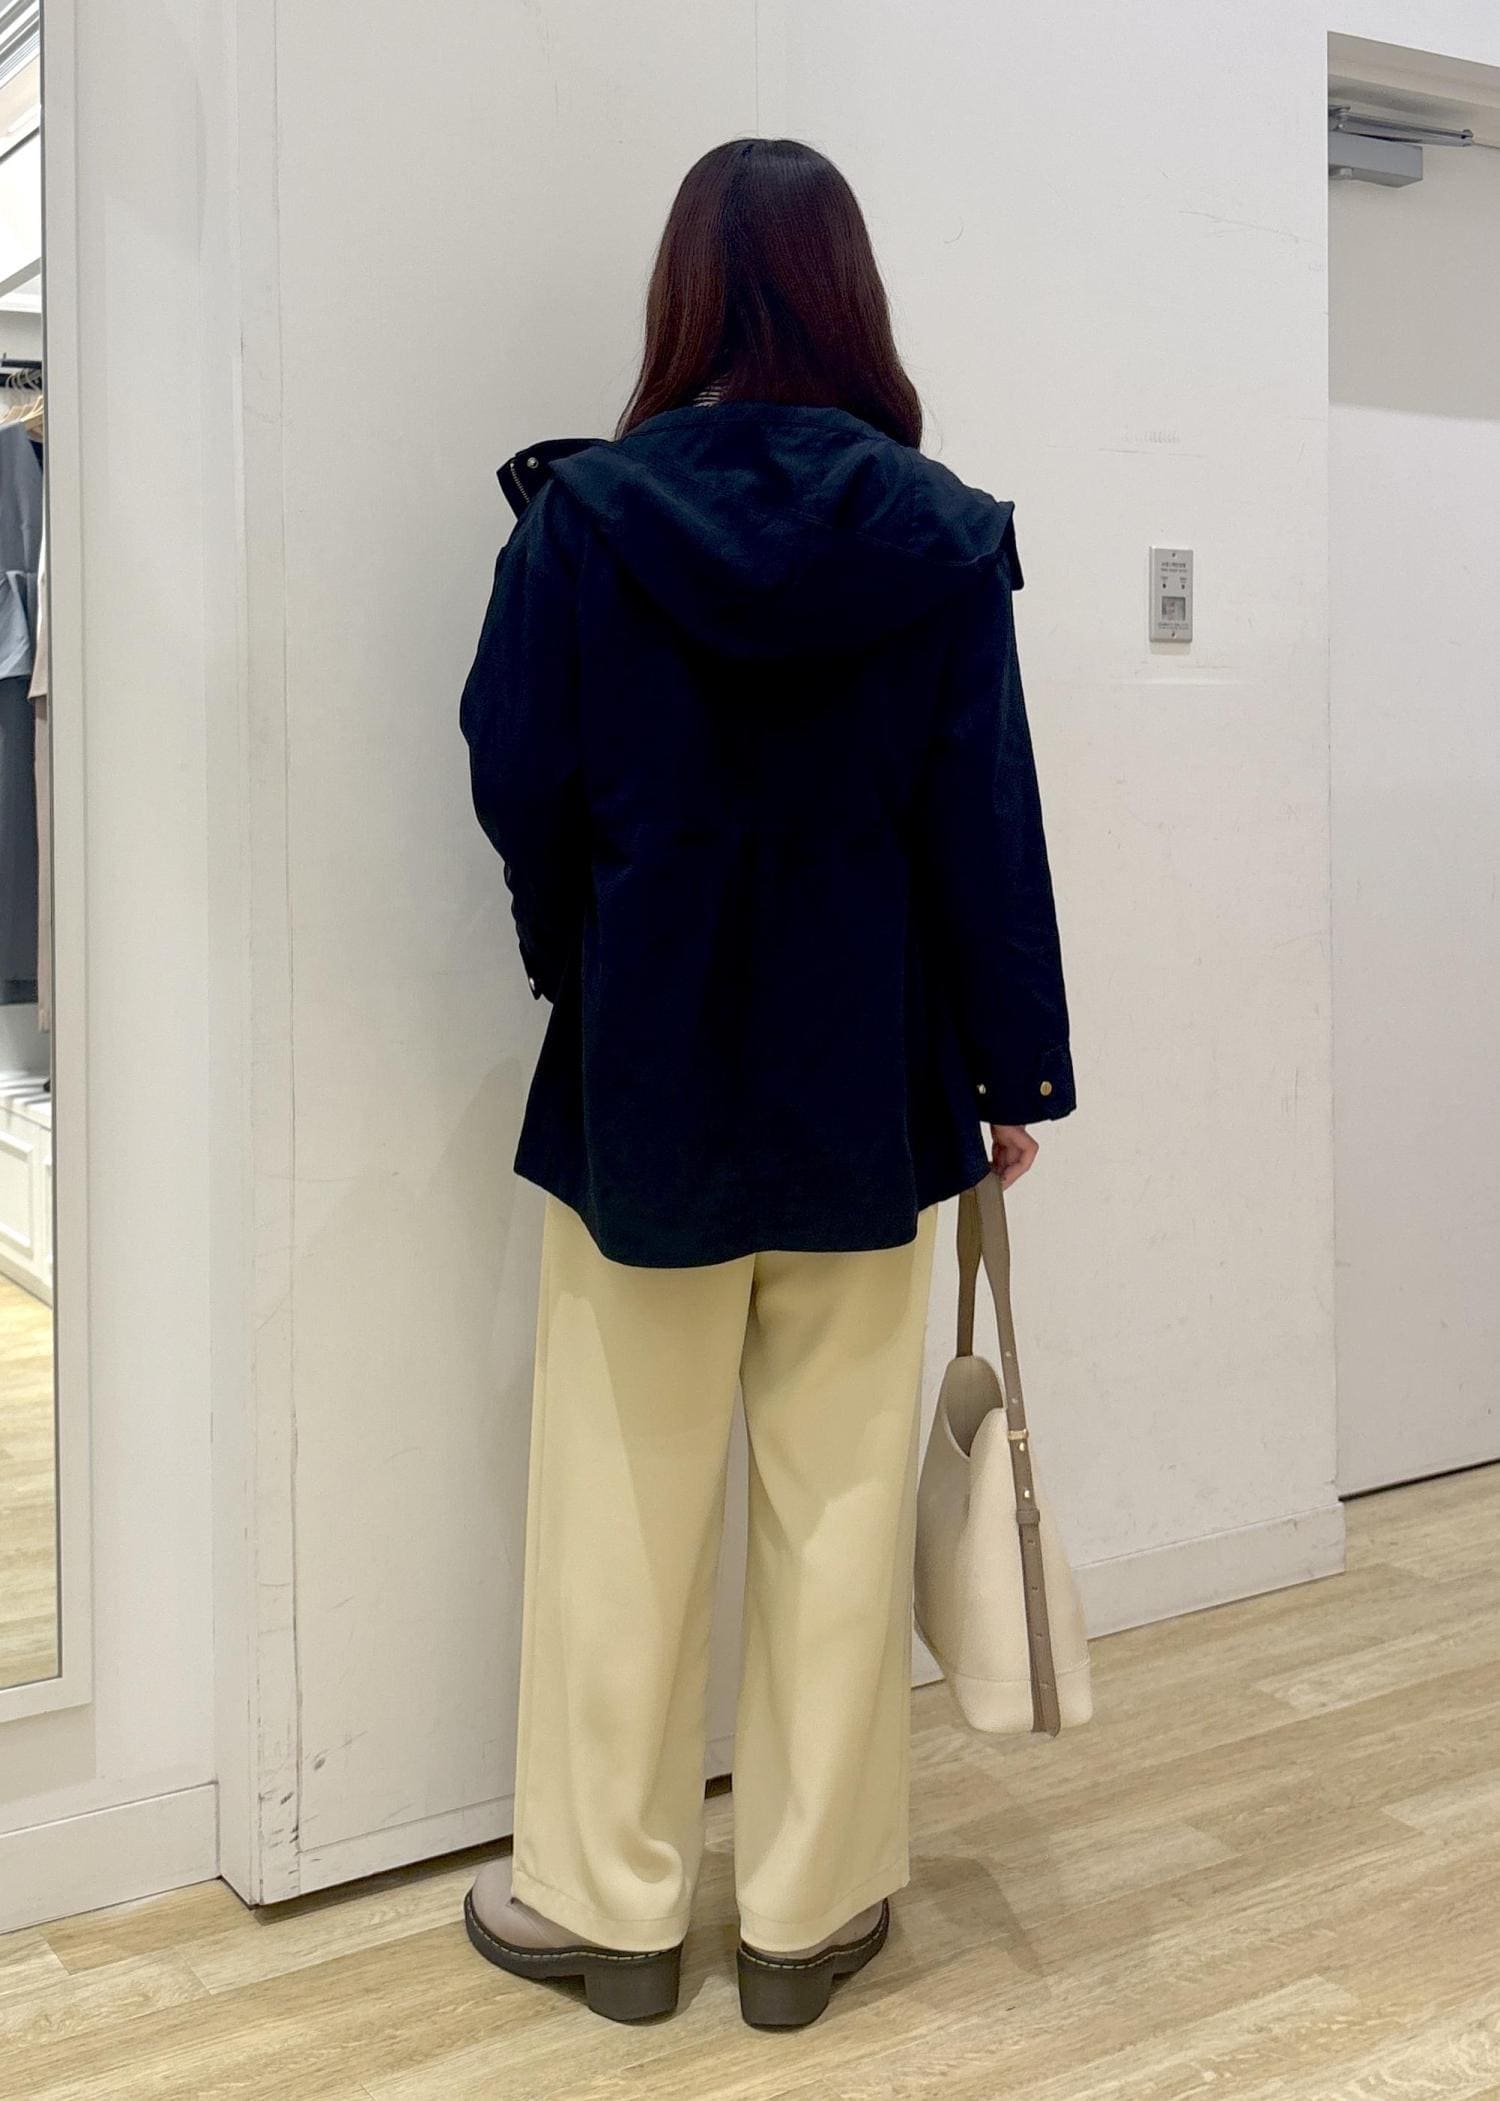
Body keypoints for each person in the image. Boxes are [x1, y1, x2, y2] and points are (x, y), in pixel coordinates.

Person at [457, 136, 1075, 2030]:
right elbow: (985, 823)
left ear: (684, 296)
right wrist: (1010, 1071)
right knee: (836, 1505)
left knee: (621, 1507)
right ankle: (807, 1918)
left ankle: (612, 1912)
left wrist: (586, 958)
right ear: (849, 295)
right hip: (867, 1084)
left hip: (642, 1082)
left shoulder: (585, 522)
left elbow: (517, 779)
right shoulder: (940, 536)